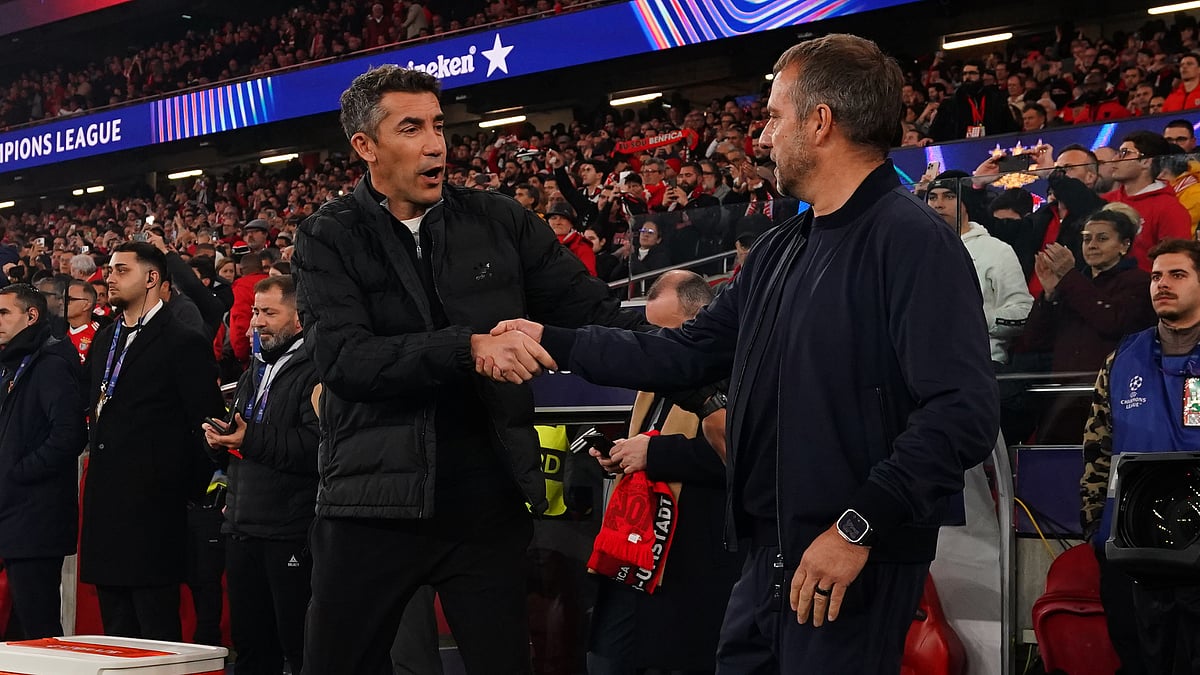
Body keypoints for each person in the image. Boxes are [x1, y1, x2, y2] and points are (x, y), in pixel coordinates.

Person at [487, 34, 999, 673]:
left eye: (775, 116)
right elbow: (686, 354)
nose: (762, 137)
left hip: (845, 559)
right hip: (765, 556)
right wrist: (554, 341)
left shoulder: (911, 240)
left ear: (819, 122)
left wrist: (857, 527)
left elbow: (963, 411)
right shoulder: (784, 248)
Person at [291, 65, 644, 675]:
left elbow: (595, 314)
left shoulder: (500, 220)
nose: (436, 144)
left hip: (486, 504)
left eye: (438, 125)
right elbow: (346, 361)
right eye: (411, 128)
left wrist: (697, 359)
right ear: (365, 147)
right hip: (371, 508)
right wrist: (469, 347)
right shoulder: (328, 236)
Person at [586, 270, 740, 675]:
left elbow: (747, 455)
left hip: (693, 564)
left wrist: (655, 454)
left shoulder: (739, 374)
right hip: (635, 552)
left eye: (666, 334)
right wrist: (623, 453)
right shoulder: (653, 376)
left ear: (700, 321)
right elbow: (649, 436)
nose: (656, 346)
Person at [80, 242, 225, 641]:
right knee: (116, 635)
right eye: (109, 269)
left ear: (151, 278)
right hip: (106, 508)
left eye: (121, 270)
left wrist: (177, 487)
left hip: (154, 513)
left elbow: (208, 425)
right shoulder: (106, 339)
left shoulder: (182, 339)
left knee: (155, 632)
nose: (110, 277)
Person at [1081, 237, 1200, 675]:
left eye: (1177, 274)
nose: (1162, 284)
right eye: (1155, 276)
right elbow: (1097, 445)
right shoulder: (1124, 358)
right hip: (1133, 549)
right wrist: (1096, 527)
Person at [203, 276, 318, 675]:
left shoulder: (318, 370)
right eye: (255, 311)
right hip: (242, 527)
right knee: (251, 649)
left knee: (301, 648)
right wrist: (222, 438)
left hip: (291, 531)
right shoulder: (257, 365)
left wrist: (250, 439)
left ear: (300, 319)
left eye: (269, 312)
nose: (256, 322)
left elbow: (316, 448)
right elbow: (250, 435)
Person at [0, 284, 86, 638]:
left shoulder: (49, 364)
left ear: (31, 315)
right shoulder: (12, 364)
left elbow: (69, 434)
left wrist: (18, 472)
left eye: (4, 313)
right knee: (20, 629)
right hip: (14, 515)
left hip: (35, 518)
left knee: (38, 626)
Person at [924, 171, 1032, 367]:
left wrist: (976, 319)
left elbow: (1023, 312)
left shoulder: (996, 250)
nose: (938, 204)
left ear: (967, 204)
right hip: (921, 366)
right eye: (932, 197)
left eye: (949, 196)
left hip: (979, 364)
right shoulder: (916, 251)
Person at [1104, 131, 1192, 269]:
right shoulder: (1105, 201)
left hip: (1143, 288)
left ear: (1146, 161)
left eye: (1124, 153)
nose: (1115, 159)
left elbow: (1175, 263)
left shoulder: (1170, 209)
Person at [545, 203, 596, 275]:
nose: (558, 222)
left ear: (571, 223)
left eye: (563, 218)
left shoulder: (582, 246)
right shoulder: (539, 243)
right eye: (553, 218)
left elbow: (590, 277)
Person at [65, 279, 100, 364]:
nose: (63, 302)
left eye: (69, 299)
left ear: (86, 305)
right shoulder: (56, 330)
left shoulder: (99, 336)